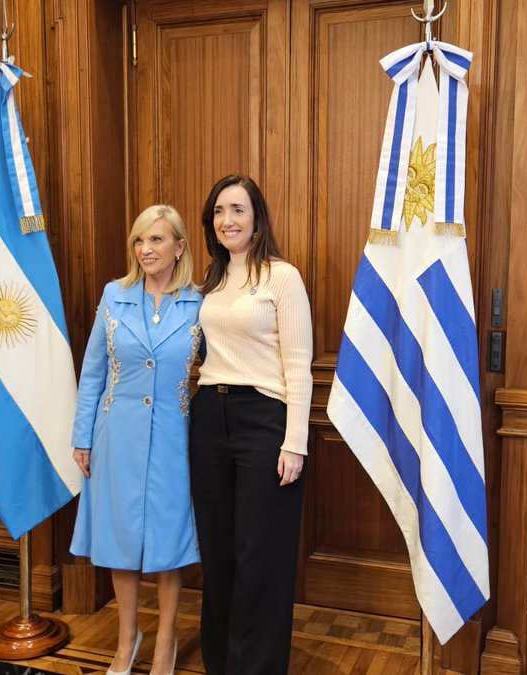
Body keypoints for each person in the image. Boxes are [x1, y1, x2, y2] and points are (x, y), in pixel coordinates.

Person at [190, 175, 314, 674]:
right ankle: (219, 664)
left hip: (265, 420)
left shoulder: (282, 277)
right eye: (219, 211)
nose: (228, 220)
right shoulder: (210, 282)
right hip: (208, 420)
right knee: (218, 555)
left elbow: (299, 363)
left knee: (260, 557)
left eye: (238, 210)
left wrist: (296, 442)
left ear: (257, 217)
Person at [70, 204, 202, 675]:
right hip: (115, 436)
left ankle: (166, 638)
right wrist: (81, 437)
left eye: (157, 240)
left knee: (170, 539)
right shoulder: (114, 295)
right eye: (140, 241)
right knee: (119, 536)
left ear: (180, 247)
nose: (146, 249)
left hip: (174, 437)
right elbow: (92, 372)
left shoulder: (200, 302)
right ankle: (128, 639)